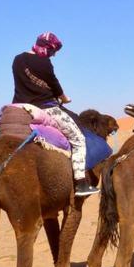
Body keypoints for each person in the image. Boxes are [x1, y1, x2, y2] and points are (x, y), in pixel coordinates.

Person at [12, 31, 99, 196]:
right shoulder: (44, 63)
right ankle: (80, 183)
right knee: (78, 139)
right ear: (47, 48)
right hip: (46, 108)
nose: (53, 55)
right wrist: (64, 98)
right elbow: (54, 84)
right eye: (53, 51)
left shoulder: (17, 59)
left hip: (20, 108)